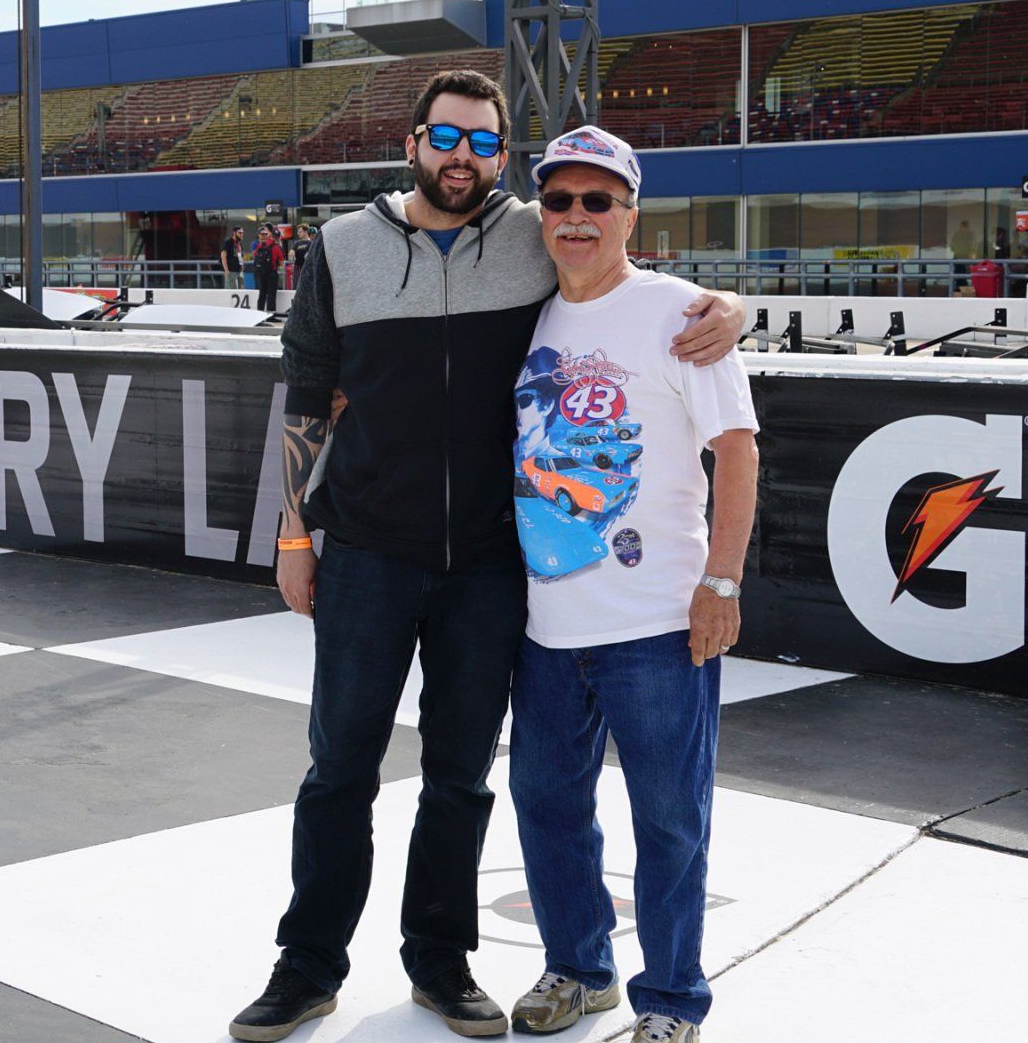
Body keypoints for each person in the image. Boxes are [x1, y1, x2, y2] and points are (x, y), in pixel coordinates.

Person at [229, 70, 746, 1043]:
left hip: (491, 567)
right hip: (369, 555)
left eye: (484, 144)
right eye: (446, 138)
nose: (463, 158)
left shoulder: (530, 238)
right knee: (337, 768)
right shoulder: (339, 249)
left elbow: (623, 276)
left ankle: (441, 962)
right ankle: (306, 968)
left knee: (461, 774)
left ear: (502, 156)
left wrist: (731, 308)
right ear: (414, 140)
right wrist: (294, 535)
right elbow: (303, 400)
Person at [505, 126, 758, 1043]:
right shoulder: (527, 311)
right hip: (544, 625)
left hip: (657, 623)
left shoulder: (680, 312)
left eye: (596, 201)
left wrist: (720, 581)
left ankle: (671, 1000)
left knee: (669, 821)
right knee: (548, 806)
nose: (576, 218)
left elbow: (737, 451)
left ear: (629, 213)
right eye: (560, 201)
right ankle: (578, 969)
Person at [254, 225, 286, 313]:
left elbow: (255, 255)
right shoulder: (276, 247)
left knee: (262, 294)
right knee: (271, 294)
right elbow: (281, 262)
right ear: (278, 237)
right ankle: (271, 314)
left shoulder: (261, 245)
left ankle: (259, 313)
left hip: (261, 274)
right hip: (272, 274)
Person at [292, 224, 314, 288]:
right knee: (296, 286)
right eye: (298, 232)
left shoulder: (312, 243)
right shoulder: (297, 243)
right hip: (298, 268)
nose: (298, 233)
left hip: (308, 268)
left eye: (300, 232)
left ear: (306, 232)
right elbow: (291, 253)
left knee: (307, 286)